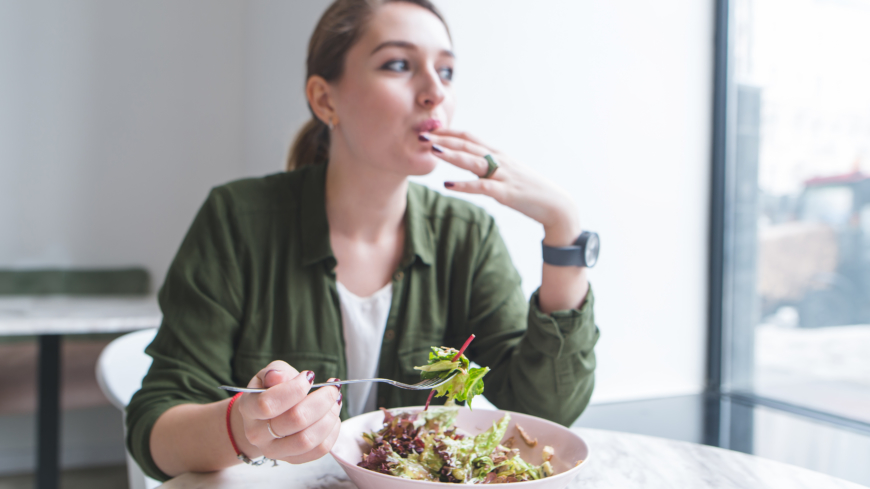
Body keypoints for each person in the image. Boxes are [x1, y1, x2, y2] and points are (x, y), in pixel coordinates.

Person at [126, 0, 599, 481]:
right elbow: (155, 431)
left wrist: (564, 230)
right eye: (399, 64)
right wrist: (246, 429)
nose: (435, 91)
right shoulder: (237, 221)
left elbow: (548, 409)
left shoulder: (467, 236)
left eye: (447, 70)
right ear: (325, 99)